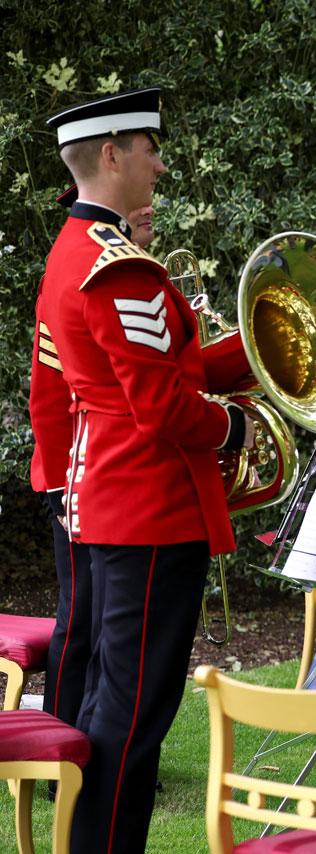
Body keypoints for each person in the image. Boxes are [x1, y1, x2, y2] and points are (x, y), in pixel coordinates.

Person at [43, 86, 257, 854]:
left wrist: (256, 355)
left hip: (114, 502)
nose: (160, 164)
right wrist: (237, 428)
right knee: (130, 722)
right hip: (149, 509)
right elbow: (164, 403)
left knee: (115, 711)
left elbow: (170, 368)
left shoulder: (81, 249)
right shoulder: (119, 266)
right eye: (149, 149)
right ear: (111, 155)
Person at [30, 185, 155, 733]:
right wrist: (60, 486)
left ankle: (99, 741)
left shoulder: (138, 277)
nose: (147, 208)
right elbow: (49, 394)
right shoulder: (81, 277)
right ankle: (60, 739)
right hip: (78, 480)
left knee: (113, 629)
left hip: (118, 481)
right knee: (79, 621)